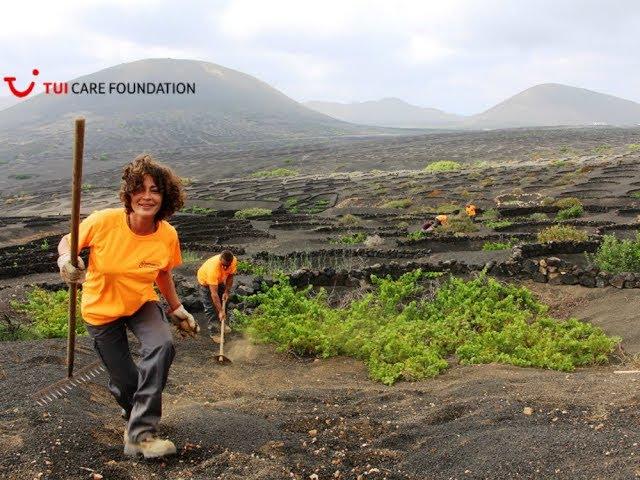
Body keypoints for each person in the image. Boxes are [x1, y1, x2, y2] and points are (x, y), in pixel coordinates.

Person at [56, 154, 199, 459]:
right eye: (140, 188)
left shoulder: (167, 235)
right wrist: (66, 261)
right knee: (126, 382)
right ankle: (132, 410)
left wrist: (176, 309)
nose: (147, 197)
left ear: (166, 197)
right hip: (101, 310)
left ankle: (141, 434)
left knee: (162, 346)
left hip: (140, 302)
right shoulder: (104, 221)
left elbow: (162, 273)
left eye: (155, 190)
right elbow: (68, 243)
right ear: (129, 193)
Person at [197, 250, 237, 339]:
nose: (225, 268)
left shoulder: (233, 261)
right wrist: (220, 311)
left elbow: (230, 276)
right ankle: (214, 332)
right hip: (206, 283)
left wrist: (226, 291)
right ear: (220, 260)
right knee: (211, 308)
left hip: (219, 280)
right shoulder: (213, 269)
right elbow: (214, 294)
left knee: (225, 301)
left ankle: (222, 324)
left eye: (227, 266)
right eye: (223, 265)